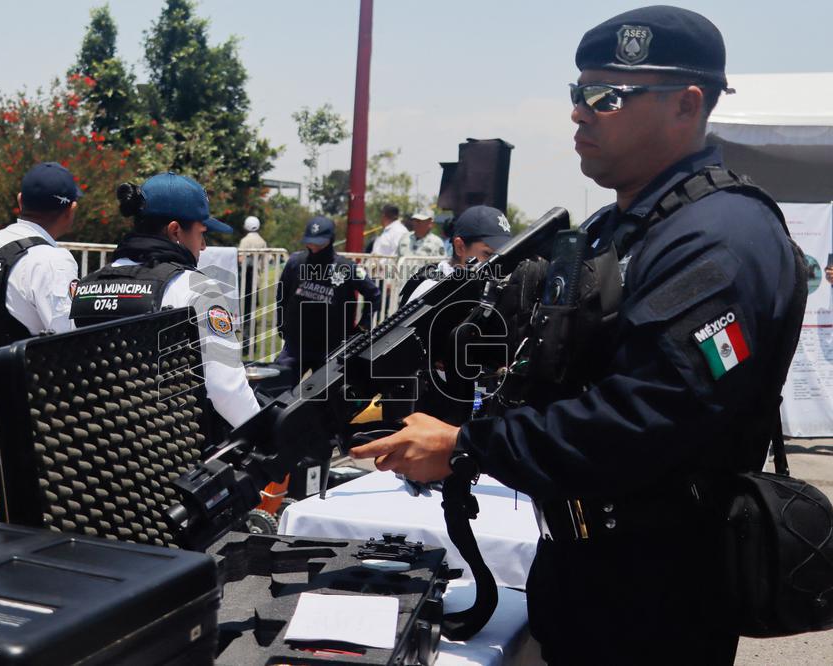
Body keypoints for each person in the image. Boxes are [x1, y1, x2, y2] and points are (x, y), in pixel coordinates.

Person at [352, 7, 805, 665]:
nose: (578, 112)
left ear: (687, 104)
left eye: (605, 96)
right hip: (583, 567)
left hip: (658, 594)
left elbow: (647, 417)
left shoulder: (722, 239)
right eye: (577, 92)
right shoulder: (617, 229)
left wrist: (466, 447)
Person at [70, 172, 259, 431]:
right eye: (201, 233)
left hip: (97, 449)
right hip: (170, 451)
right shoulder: (196, 287)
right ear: (175, 231)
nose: (203, 246)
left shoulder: (88, 285)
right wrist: (267, 438)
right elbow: (226, 390)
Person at [0, 162, 82, 521]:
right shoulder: (52, 260)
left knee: (6, 502)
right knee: (42, 512)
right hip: (33, 404)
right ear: (70, 208)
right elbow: (68, 337)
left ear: (20, 200)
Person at [276, 216, 381, 378]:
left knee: (326, 399)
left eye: (319, 243)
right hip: (296, 346)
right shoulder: (295, 262)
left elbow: (374, 295)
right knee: (277, 386)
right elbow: (281, 294)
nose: (314, 247)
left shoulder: (348, 267)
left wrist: (363, 327)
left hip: (331, 348)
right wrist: (281, 323)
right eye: (310, 242)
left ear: (330, 240)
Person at [401, 205, 511, 304]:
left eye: (500, 256)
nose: (496, 263)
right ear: (460, 247)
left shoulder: (492, 288)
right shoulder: (429, 291)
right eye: (488, 254)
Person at [238, 215, 268, 352]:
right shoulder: (262, 241)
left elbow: (240, 259)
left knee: (244, 313)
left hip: (245, 281)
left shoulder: (244, 241)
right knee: (252, 314)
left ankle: (245, 345)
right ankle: (252, 344)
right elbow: (264, 263)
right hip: (256, 282)